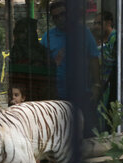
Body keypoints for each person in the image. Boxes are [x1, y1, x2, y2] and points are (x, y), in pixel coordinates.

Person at [40, 0, 100, 137]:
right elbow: (42, 64)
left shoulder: (83, 33)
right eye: (55, 16)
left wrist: (96, 85)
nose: (60, 18)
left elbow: (93, 59)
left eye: (63, 14)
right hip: (57, 95)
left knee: (87, 133)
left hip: (81, 93)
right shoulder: (48, 37)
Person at [9, 17, 57, 103]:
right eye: (19, 32)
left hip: (40, 96)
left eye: (23, 32)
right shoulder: (16, 50)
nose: (20, 36)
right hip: (21, 96)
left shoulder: (42, 51)